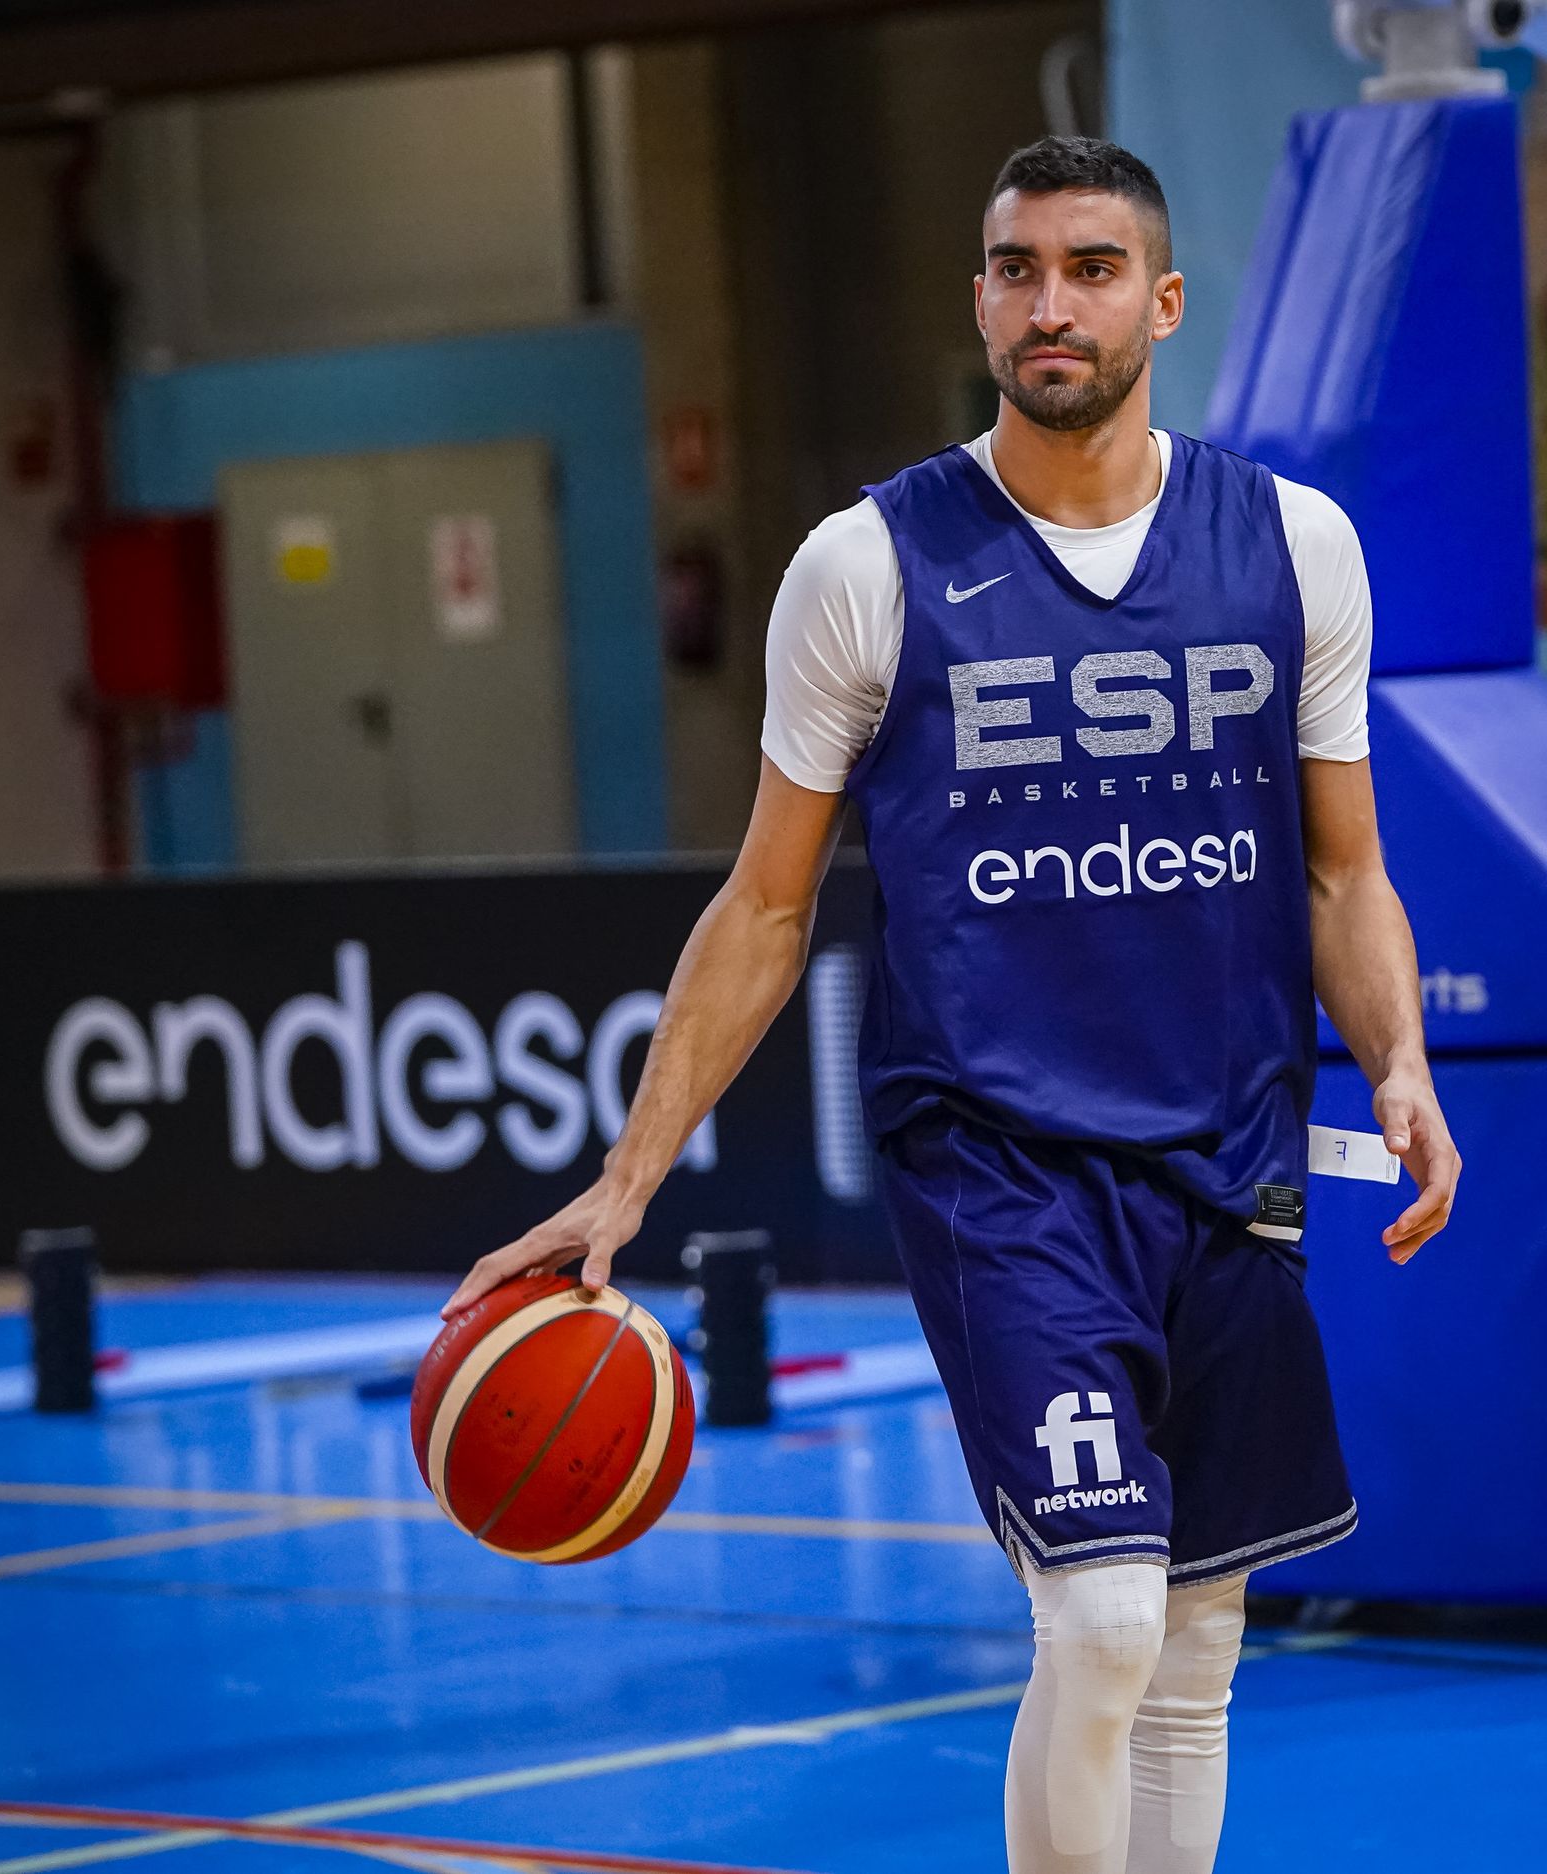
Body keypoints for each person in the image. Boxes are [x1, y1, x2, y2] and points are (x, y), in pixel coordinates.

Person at [444, 135, 1462, 1874]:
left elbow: (1342, 871)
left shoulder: (1297, 547)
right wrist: (627, 1182)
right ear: (981, 295)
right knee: (1105, 1621)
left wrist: (1404, 1062)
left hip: (1231, 1148)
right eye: (1012, 268)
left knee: (1200, 1640)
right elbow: (765, 904)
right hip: (1000, 1164)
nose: (1045, 302)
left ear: (1163, 299)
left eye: (1083, 266)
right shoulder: (867, 566)